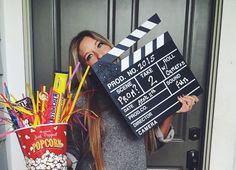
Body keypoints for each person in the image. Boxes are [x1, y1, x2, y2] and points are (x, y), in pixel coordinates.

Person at [66, 30, 199, 170]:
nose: (100, 56)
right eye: (90, 56)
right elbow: (74, 149)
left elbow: (150, 144)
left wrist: (171, 107)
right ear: (88, 68)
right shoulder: (80, 99)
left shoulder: (141, 85)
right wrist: (56, 159)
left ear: (111, 47)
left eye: (100, 45)